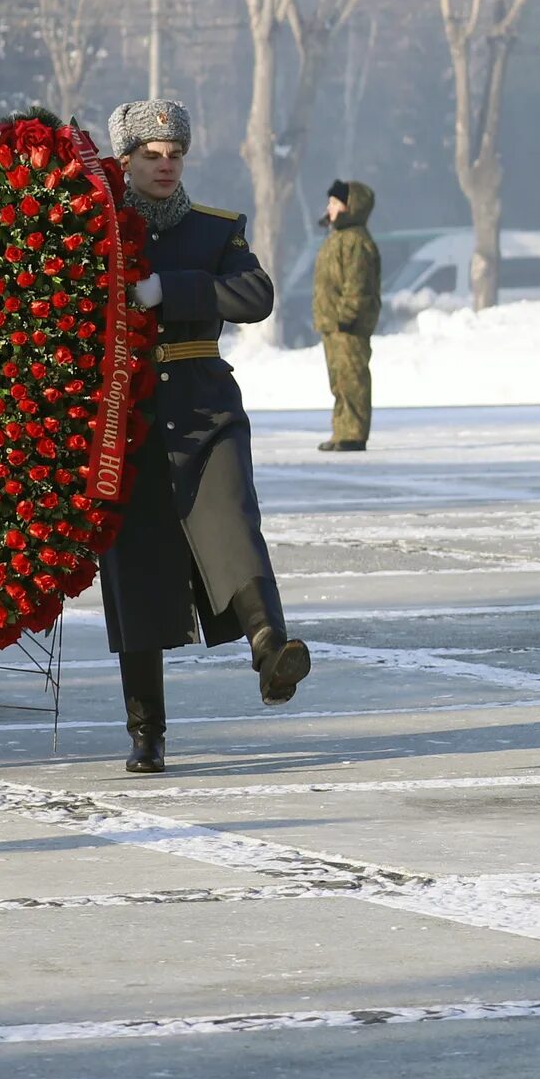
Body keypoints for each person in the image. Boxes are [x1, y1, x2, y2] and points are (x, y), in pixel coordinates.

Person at [95, 100, 312, 773]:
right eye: (151, 156)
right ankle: (145, 730)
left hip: (202, 402)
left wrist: (175, 289)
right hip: (124, 416)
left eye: (175, 155)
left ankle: (271, 648)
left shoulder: (215, 229)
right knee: (137, 569)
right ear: (124, 162)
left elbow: (254, 296)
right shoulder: (96, 233)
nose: (165, 167)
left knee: (229, 524)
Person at [311, 179, 379, 453]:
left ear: (351, 207)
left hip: (348, 325)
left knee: (352, 379)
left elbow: (357, 283)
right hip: (333, 325)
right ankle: (342, 430)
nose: (330, 208)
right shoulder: (337, 238)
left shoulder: (356, 241)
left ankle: (353, 433)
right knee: (339, 381)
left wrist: (347, 316)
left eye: (335, 203)